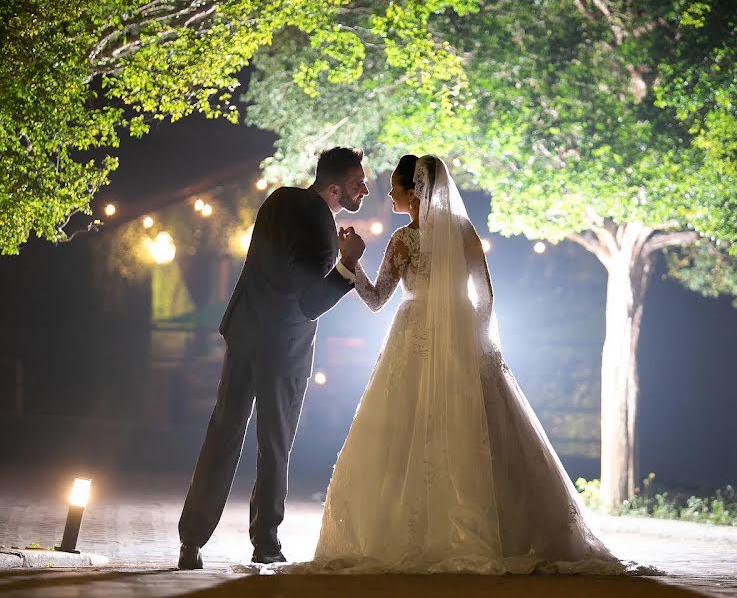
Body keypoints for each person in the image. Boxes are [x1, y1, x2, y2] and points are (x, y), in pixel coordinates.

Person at [287, 155, 624, 574]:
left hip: (414, 338)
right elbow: (485, 297)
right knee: (470, 428)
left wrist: (351, 264)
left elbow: (375, 301)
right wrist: (477, 341)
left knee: (414, 429)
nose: (389, 192)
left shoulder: (404, 240)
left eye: (395, 186)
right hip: (460, 337)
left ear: (414, 192)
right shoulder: (463, 233)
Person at [177, 147, 368, 570]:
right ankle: (265, 543)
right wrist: (346, 265)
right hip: (284, 347)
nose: (365, 190)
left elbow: (264, 268)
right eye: (358, 185)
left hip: (245, 331)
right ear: (334, 188)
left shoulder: (279, 199)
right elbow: (309, 302)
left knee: (222, 433)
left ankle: (191, 539)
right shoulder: (320, 224)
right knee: (275, 444)